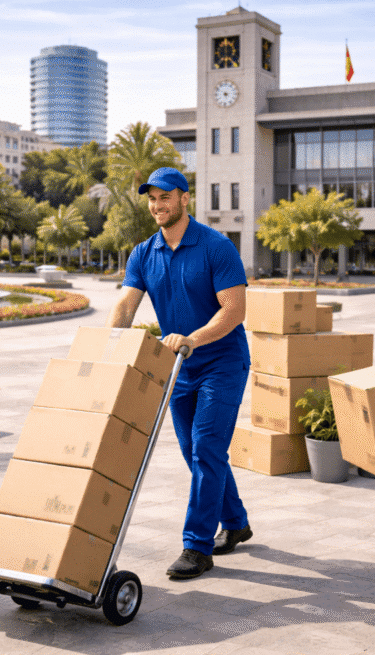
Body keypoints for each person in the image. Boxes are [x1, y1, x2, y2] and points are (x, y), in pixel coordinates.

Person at [106, 167, 252, 580]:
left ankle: (197, 546)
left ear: (185, 198)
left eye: (165, 197)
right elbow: (125, 306)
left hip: (222, 362)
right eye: (152, 198)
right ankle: (237, 522)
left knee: (206, 448)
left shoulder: (215, 247)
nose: (157, 205)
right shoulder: (144, 252)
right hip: (180, 367)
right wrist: (105, 348)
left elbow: (234, 311)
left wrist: (193, 337)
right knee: (195, 453)